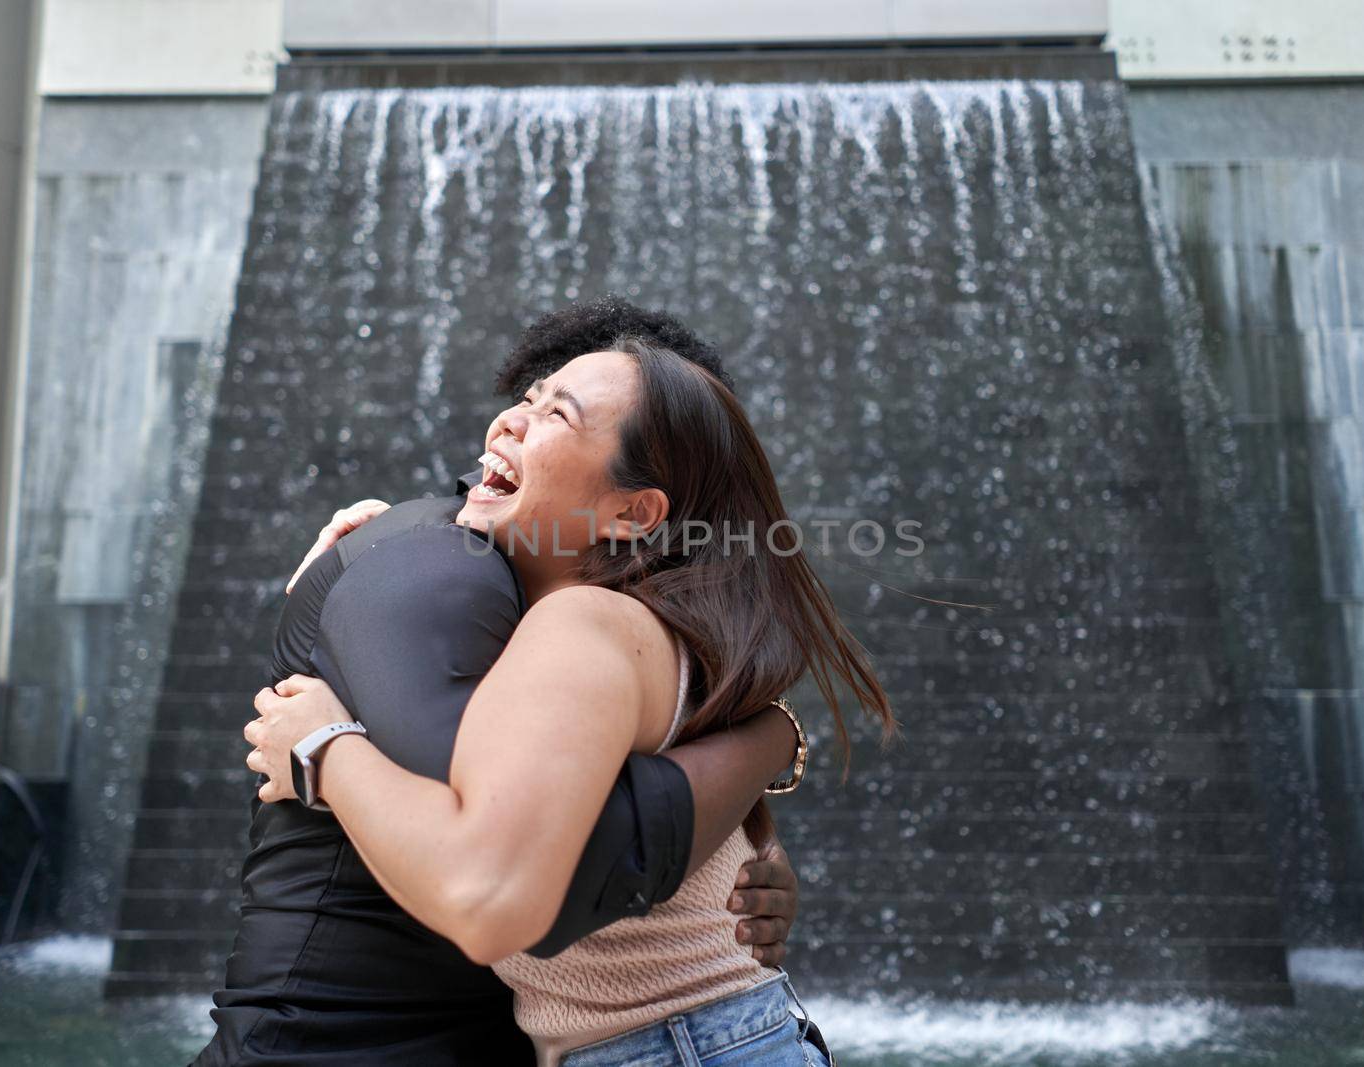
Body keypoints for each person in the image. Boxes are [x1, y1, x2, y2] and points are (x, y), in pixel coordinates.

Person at [248, 303, 894, 1065]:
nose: (510, 424)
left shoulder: (584, 629)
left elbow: (487, 904)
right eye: (526, 399)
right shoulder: (619, 625)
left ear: (632, 511)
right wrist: (389, 544)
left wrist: (324, 747)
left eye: (556, 413)